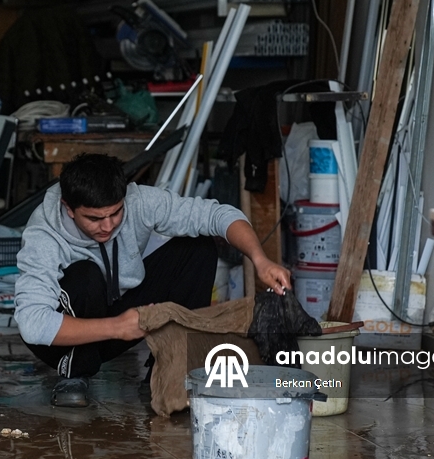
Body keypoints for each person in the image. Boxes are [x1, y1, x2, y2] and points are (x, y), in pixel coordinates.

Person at [14, 153, 291, 407]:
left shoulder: (139, 202)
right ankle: (75, 374)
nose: (108, 226)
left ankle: (171, 367)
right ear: (69, 208)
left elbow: (218, 215)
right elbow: (32, 323)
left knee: (198, 248)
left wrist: (259, 259)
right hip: (63, 343)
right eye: (95, 218)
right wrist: (116, 327)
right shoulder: (43, 235)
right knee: (86, 275)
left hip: (119, 317)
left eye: (115, 213)